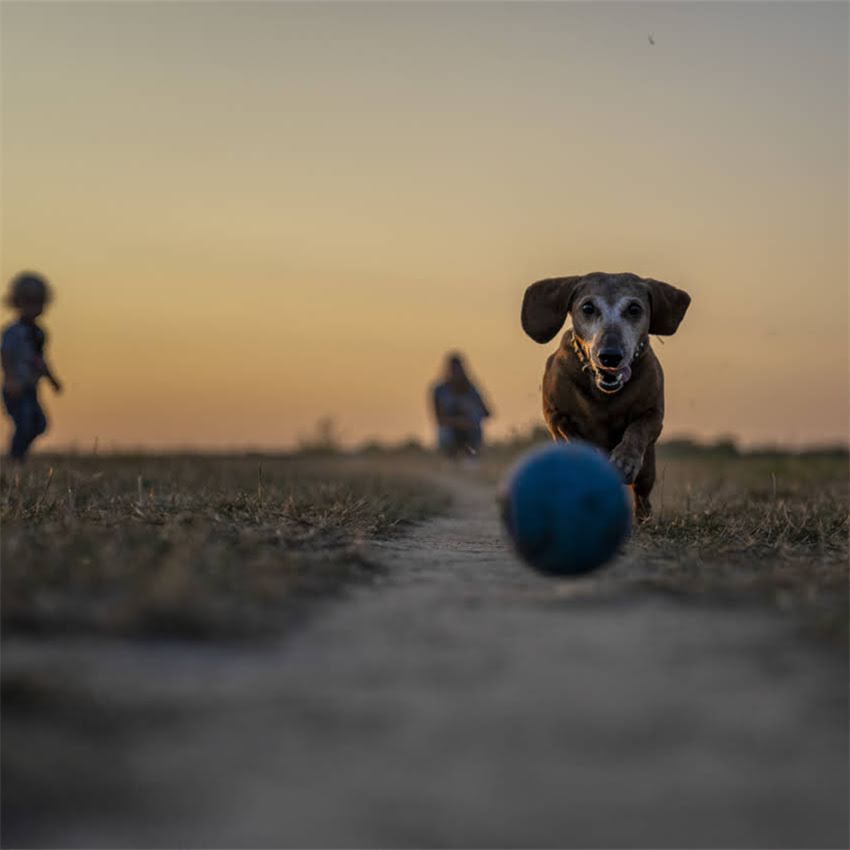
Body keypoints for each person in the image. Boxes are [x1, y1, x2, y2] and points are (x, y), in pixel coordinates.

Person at [2, 272, 62, 461]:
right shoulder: (13, 332)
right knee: (24, 423)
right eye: (29, 302)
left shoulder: (39, 333)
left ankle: (19, 456)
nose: (34, 307)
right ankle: (15, 459)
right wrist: (11, 379)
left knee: (39, 424)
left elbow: (40, 360)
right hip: (16, 388)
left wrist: (52, 380)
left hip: (30, 388)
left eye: (38, 302)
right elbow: (6, 355)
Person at [431, 352, 491, 459]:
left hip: (469, 430)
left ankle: (472, 456)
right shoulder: (440, 391)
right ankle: (449, 456)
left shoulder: (471, 390)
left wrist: (471, 411)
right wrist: (458, 422)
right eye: (453, 370)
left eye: (458, 370)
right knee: (444, 432)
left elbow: (487, 413)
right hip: (450, 431)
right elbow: (438, 419)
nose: (456, 374)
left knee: (476, 417)